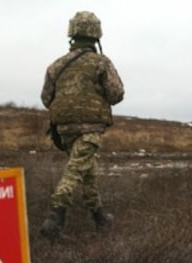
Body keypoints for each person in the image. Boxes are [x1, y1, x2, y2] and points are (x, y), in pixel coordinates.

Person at [39, 11, 125, 239]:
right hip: (90, 127)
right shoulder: (101, 62)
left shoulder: (56, 65)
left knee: (86, 171)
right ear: (96, 35)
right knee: (76, 170)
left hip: (64, 129)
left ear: (72, 33)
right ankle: (55, 218)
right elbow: (116, 94)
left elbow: (46, 98)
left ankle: (99, 217)